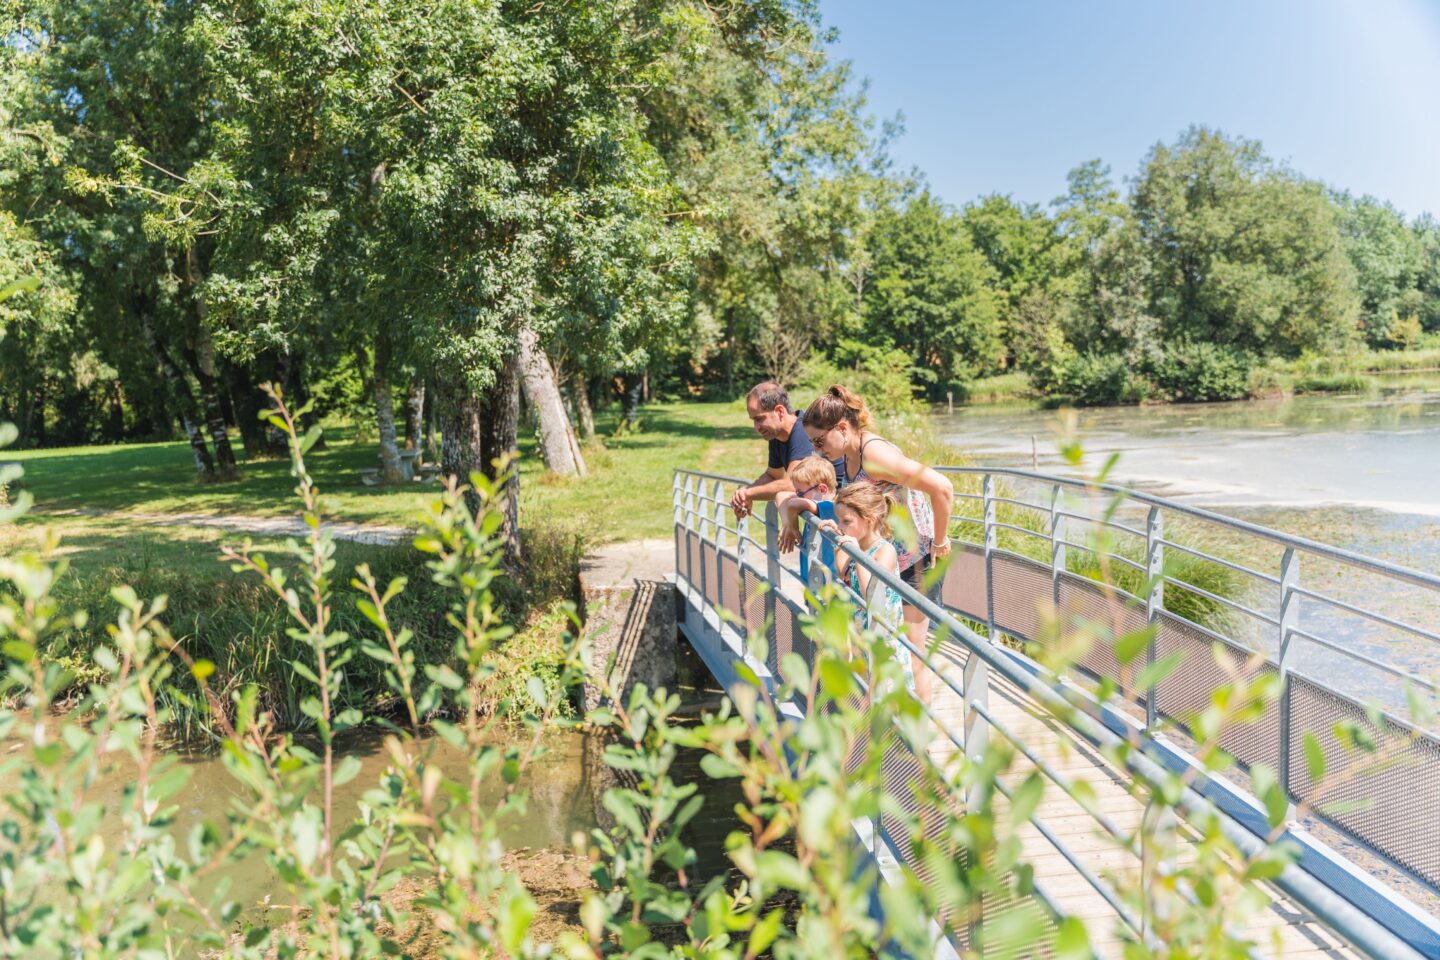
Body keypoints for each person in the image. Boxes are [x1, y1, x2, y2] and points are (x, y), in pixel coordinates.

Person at [802, 384, 954, 703]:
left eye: (819, 441)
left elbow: (941, 487)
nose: (817, 450)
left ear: (842, 428)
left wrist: (940, 540)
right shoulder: (851, 453)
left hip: (914, 561)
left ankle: (918, 743)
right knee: (884, 648)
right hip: (885, 561)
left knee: (913, 652)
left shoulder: (874, 454)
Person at [821, 482, 915, 695]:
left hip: (885, 641)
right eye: (839, 520)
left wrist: (857, 553)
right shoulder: (859, 546)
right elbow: (844, 574)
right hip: (863, 636)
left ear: (869, 520)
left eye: (846, 521)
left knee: (887, 700)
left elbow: (870, 593)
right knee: (869, 695)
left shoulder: (885, 551)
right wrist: (838, 539)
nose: (842, 525)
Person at [730, 381, 827, 520]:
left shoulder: (803, 431)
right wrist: (745, 493)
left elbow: (792, 484)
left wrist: (749, 493)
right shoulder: (777, 435)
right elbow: (772, 475)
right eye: (753, 420)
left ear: (780, 411)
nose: (756, 427)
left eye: (759, 419)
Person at [778, 455, 838, 588]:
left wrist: (793, 528)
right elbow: (782, 495)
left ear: (822, 489)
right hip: (814, 580)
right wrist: (787, 524)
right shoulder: (815, 506)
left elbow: (793, 504)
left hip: (828, 585)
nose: (797, 495)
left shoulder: (830, 507)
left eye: (800, 492)